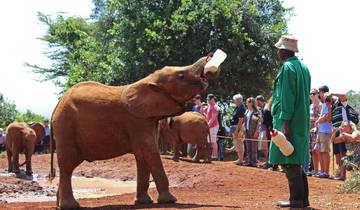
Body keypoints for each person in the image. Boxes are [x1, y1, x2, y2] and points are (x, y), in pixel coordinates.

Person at [269, 35, 311, 208]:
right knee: (296, 157)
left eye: (280, 49)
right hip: (301, 119)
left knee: (289, 158)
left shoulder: (287, 67)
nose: (278, 52)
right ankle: (302, 199)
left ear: (286, 50)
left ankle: (295, 201)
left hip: (289, 119)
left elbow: (287, 96)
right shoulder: (303, 67)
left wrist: (285, 122)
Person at [331, 94, 359, 180]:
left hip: (359, 156)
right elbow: (334, 141)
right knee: (343, 159)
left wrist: (344, 135)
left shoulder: (356, 132)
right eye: (342, 127)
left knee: (355, 159)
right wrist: (334, 132)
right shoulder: (344, 136)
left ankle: (356, 177)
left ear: (350, 127)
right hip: (355, 156)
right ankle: (343, 176)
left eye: (344, 127)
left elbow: (353, 138)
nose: (342, 128)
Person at [313, 86, 332, 178]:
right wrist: (319, 120)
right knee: (319, 150)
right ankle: (322, 171)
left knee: (324, 151)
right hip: (321, 130)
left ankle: (326, 172)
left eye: (320, 92)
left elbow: (328, 116)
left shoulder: (328, 102)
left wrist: (319, 120)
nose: (319, 94)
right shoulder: (324, 103)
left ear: (323, 92)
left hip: (326, 131)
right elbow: (323, 116)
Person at [307, 88, 322, 176]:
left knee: (317, 150)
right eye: (311, 93)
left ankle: (320, 170)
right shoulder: (310, 106)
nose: (312, 95)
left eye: (314, 93)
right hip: (310, 129)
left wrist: (312, 119)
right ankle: (315, 170)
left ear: (317, 94)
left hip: (317, 129)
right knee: (312, 151)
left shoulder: (320, 105)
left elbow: (322, 118)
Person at [230, 94, 246, 165]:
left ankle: (241, 159)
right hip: (235, 126)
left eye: (234, 100)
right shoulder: (238, 107)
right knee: (236, 142)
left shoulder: (241, 108)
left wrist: (237, 130)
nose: (234, 101)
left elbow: (241, 120)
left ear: (238, 100)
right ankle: (239, 158)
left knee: (239, 142)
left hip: (238, 127)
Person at [244, 97, 260, 167]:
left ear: (251, 103)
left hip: (253, 131)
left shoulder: (256, 112)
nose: (246, 103)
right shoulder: (247, 111)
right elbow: (245, 121)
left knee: (254, 147)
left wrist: (257, 131)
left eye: (247, 102)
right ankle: (249, 161)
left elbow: (258, 123)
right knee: (248, 146)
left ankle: (254, 162)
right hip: (247, 131)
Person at [206, 94, 220, 160]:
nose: (207, 101)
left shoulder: (215, 107)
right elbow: (207, 116)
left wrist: (208, 125)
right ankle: (211, 155)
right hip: (210, 126)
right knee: (209, 141)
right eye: (207, 99)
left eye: (209, 99)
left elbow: (213, 118)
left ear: (212, 99)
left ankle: (215, 156)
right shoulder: (209, 106)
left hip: (213, 126)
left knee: (213, 141)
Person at [256, 95, 268, 162]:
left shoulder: (265, 108)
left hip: (265, 129)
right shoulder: (261, 109)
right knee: (262, 147)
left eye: (257, 102)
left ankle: (268, 161)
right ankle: (266, 161)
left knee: (265, 146)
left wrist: (260, 118)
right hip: (262, 128)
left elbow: (264, 120)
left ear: (260, 101)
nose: (256, 103)